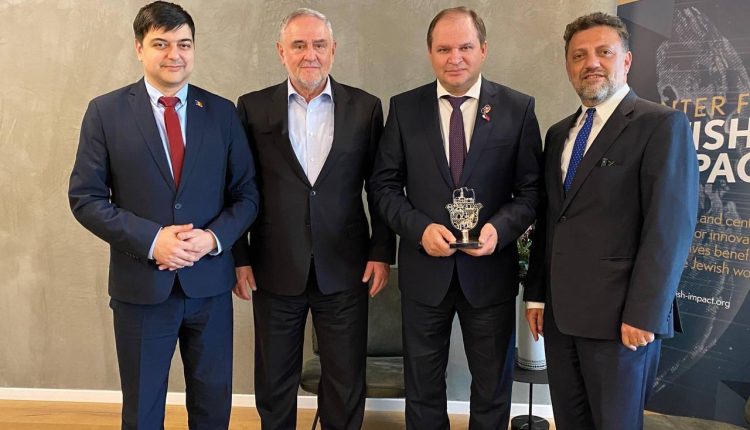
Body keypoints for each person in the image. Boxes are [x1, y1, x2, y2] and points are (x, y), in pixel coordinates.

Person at [68, 2, 259, 428]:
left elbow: (247, 195)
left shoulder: (222, 112)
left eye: (184, 44)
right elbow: (86, 198)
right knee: (143, 411)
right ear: (139, 48)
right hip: (141, 288)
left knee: (213, 408)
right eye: (161, 44)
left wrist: (212, 239)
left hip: (209, 288)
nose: (175, 54)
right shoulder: (105, 112)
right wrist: (154, 240)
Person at [524, 12, 698, 430]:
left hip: (622, 322)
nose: (591, 63)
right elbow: (551, 220)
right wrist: (537, 296)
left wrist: (645, 314)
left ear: (627, 60)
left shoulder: (660, 125)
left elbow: (669, 230)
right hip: (561, 318)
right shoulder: (558, 134)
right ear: (568, 65)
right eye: (579, 55)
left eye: (604, 52)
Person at [370, 7, 542, 429]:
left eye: (465, 47)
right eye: (444, 49)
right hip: (425, 273)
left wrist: (499, 229)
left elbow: (532, 191)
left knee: (492, 387)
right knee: (423, 387)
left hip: (490, 273)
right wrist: (419, 229)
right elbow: (383, 186)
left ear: (483, 49)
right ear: (430, 53)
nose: (455, 58)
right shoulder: (404, 109)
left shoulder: (517, 109)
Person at [232, 8, 396, 430]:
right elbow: (238, 188)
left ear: (333, 50)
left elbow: (379, 187)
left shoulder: (365, 108)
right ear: (281, 51)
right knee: (274, 381)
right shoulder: (252, 108)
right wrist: (239, 257)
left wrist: (382, 251)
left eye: (319, 44)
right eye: (299, 45)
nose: (310, 54)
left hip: (346, 266)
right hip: (273, 266)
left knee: (344, 379)